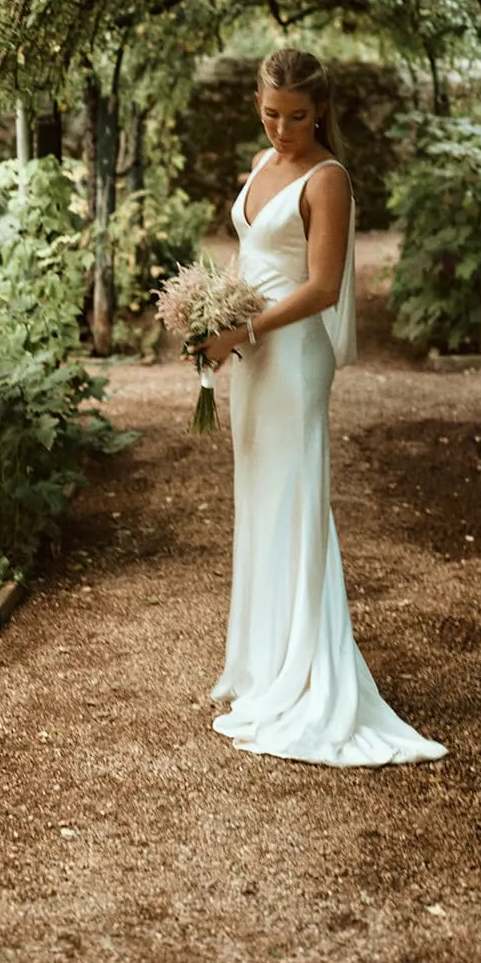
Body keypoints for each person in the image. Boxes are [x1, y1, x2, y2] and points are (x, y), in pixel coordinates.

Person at [196, 47, 447, 767]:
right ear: (257, 104)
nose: (283, 131)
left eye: (298, 117)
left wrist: (237, 330)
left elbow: (323, 287)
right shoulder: (260, 161)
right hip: (250, 351)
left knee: (295, 498)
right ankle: (265, 664)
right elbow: (253, 259)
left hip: (293, 354)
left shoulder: (327, 177)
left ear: (322, 111)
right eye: (272, 114)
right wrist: (213, 316)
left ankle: (307, 673)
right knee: (259, 496)